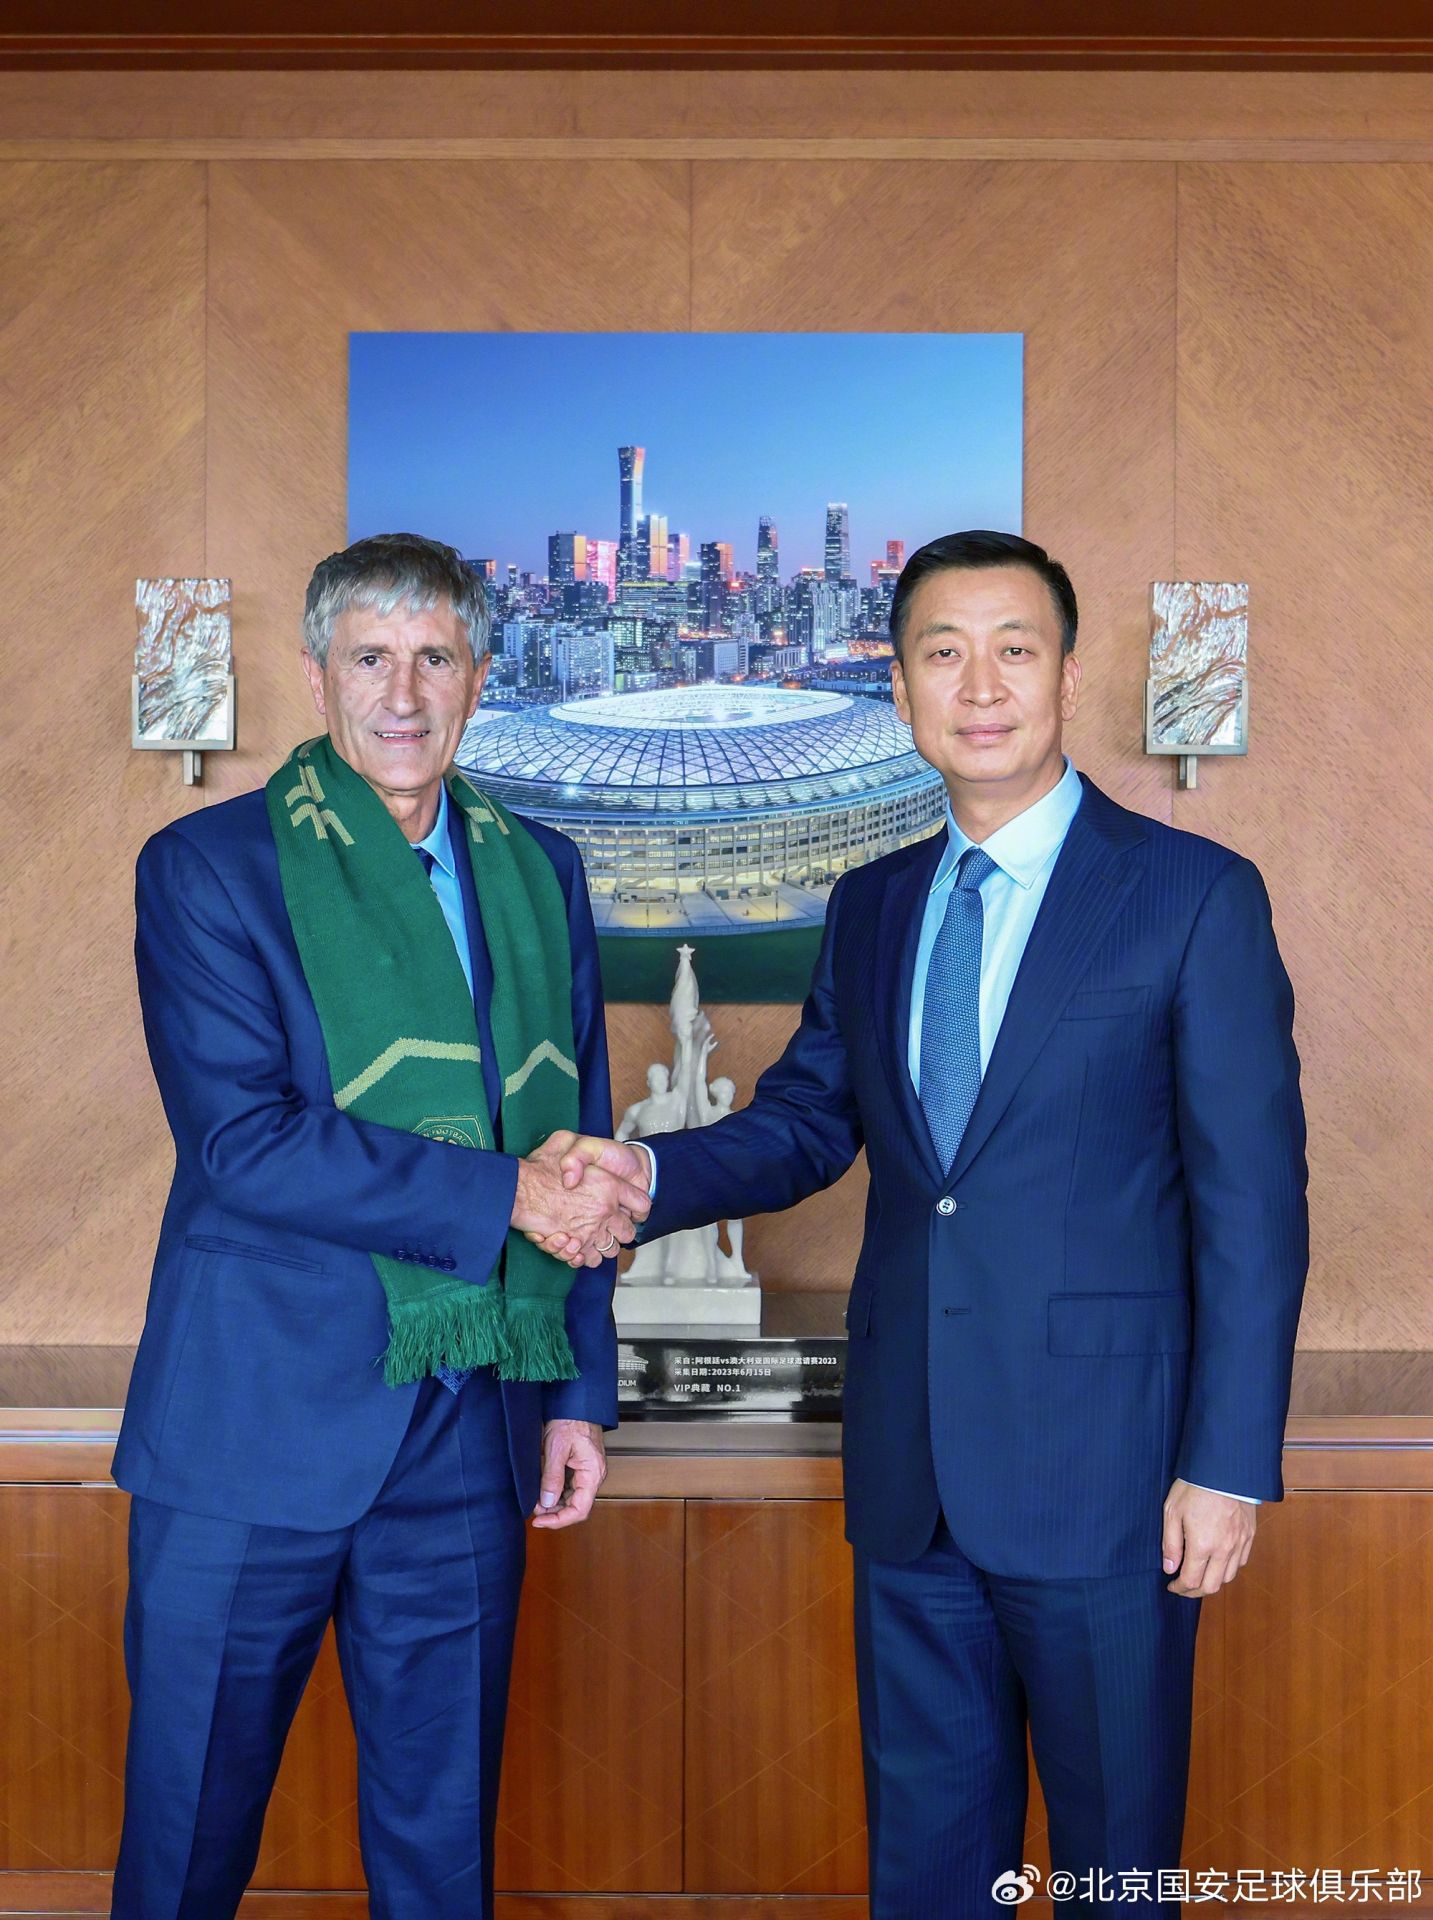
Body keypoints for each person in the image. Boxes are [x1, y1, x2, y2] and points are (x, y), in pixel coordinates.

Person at [540, 532, 1309, 1916]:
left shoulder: (1192, 898)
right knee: (927, 1870)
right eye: (940, 653)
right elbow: (804, 1124)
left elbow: (1253, 1206)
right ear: (895, 688)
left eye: (1012, 648)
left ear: (1065, 674)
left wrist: (1229, 1463)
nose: (979, 683)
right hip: (910, 1478)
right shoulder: (875, 903)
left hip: (1112, 1483)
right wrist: (646, 1181)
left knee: (1114, 1871)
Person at [112, 533, 651, 1919]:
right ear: (316, 673)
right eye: (369, 657)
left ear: (480, 676)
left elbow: (578, 1148)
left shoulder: (541, 871)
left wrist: (577, 1390)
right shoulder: (208, 868)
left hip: (468, 1430)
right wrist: (505, 1195)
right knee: (187, 1842)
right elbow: (242, 1143)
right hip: (249, 1433)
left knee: (441, 1850)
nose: (400, 693)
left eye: (433, 657)